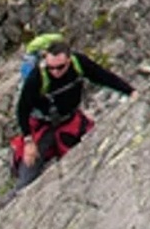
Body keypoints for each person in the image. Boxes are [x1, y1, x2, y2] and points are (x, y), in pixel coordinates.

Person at [12, 39, 137, 187]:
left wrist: (130, 91)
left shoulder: (79, 64)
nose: (55, 72)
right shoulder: (37, 77)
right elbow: (22, 110)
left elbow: (104, 77)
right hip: (43, 126)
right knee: (27, 176)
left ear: (69, 60)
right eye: (51, 68)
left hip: (71, 121)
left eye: (60, 67)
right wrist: (28, 141)